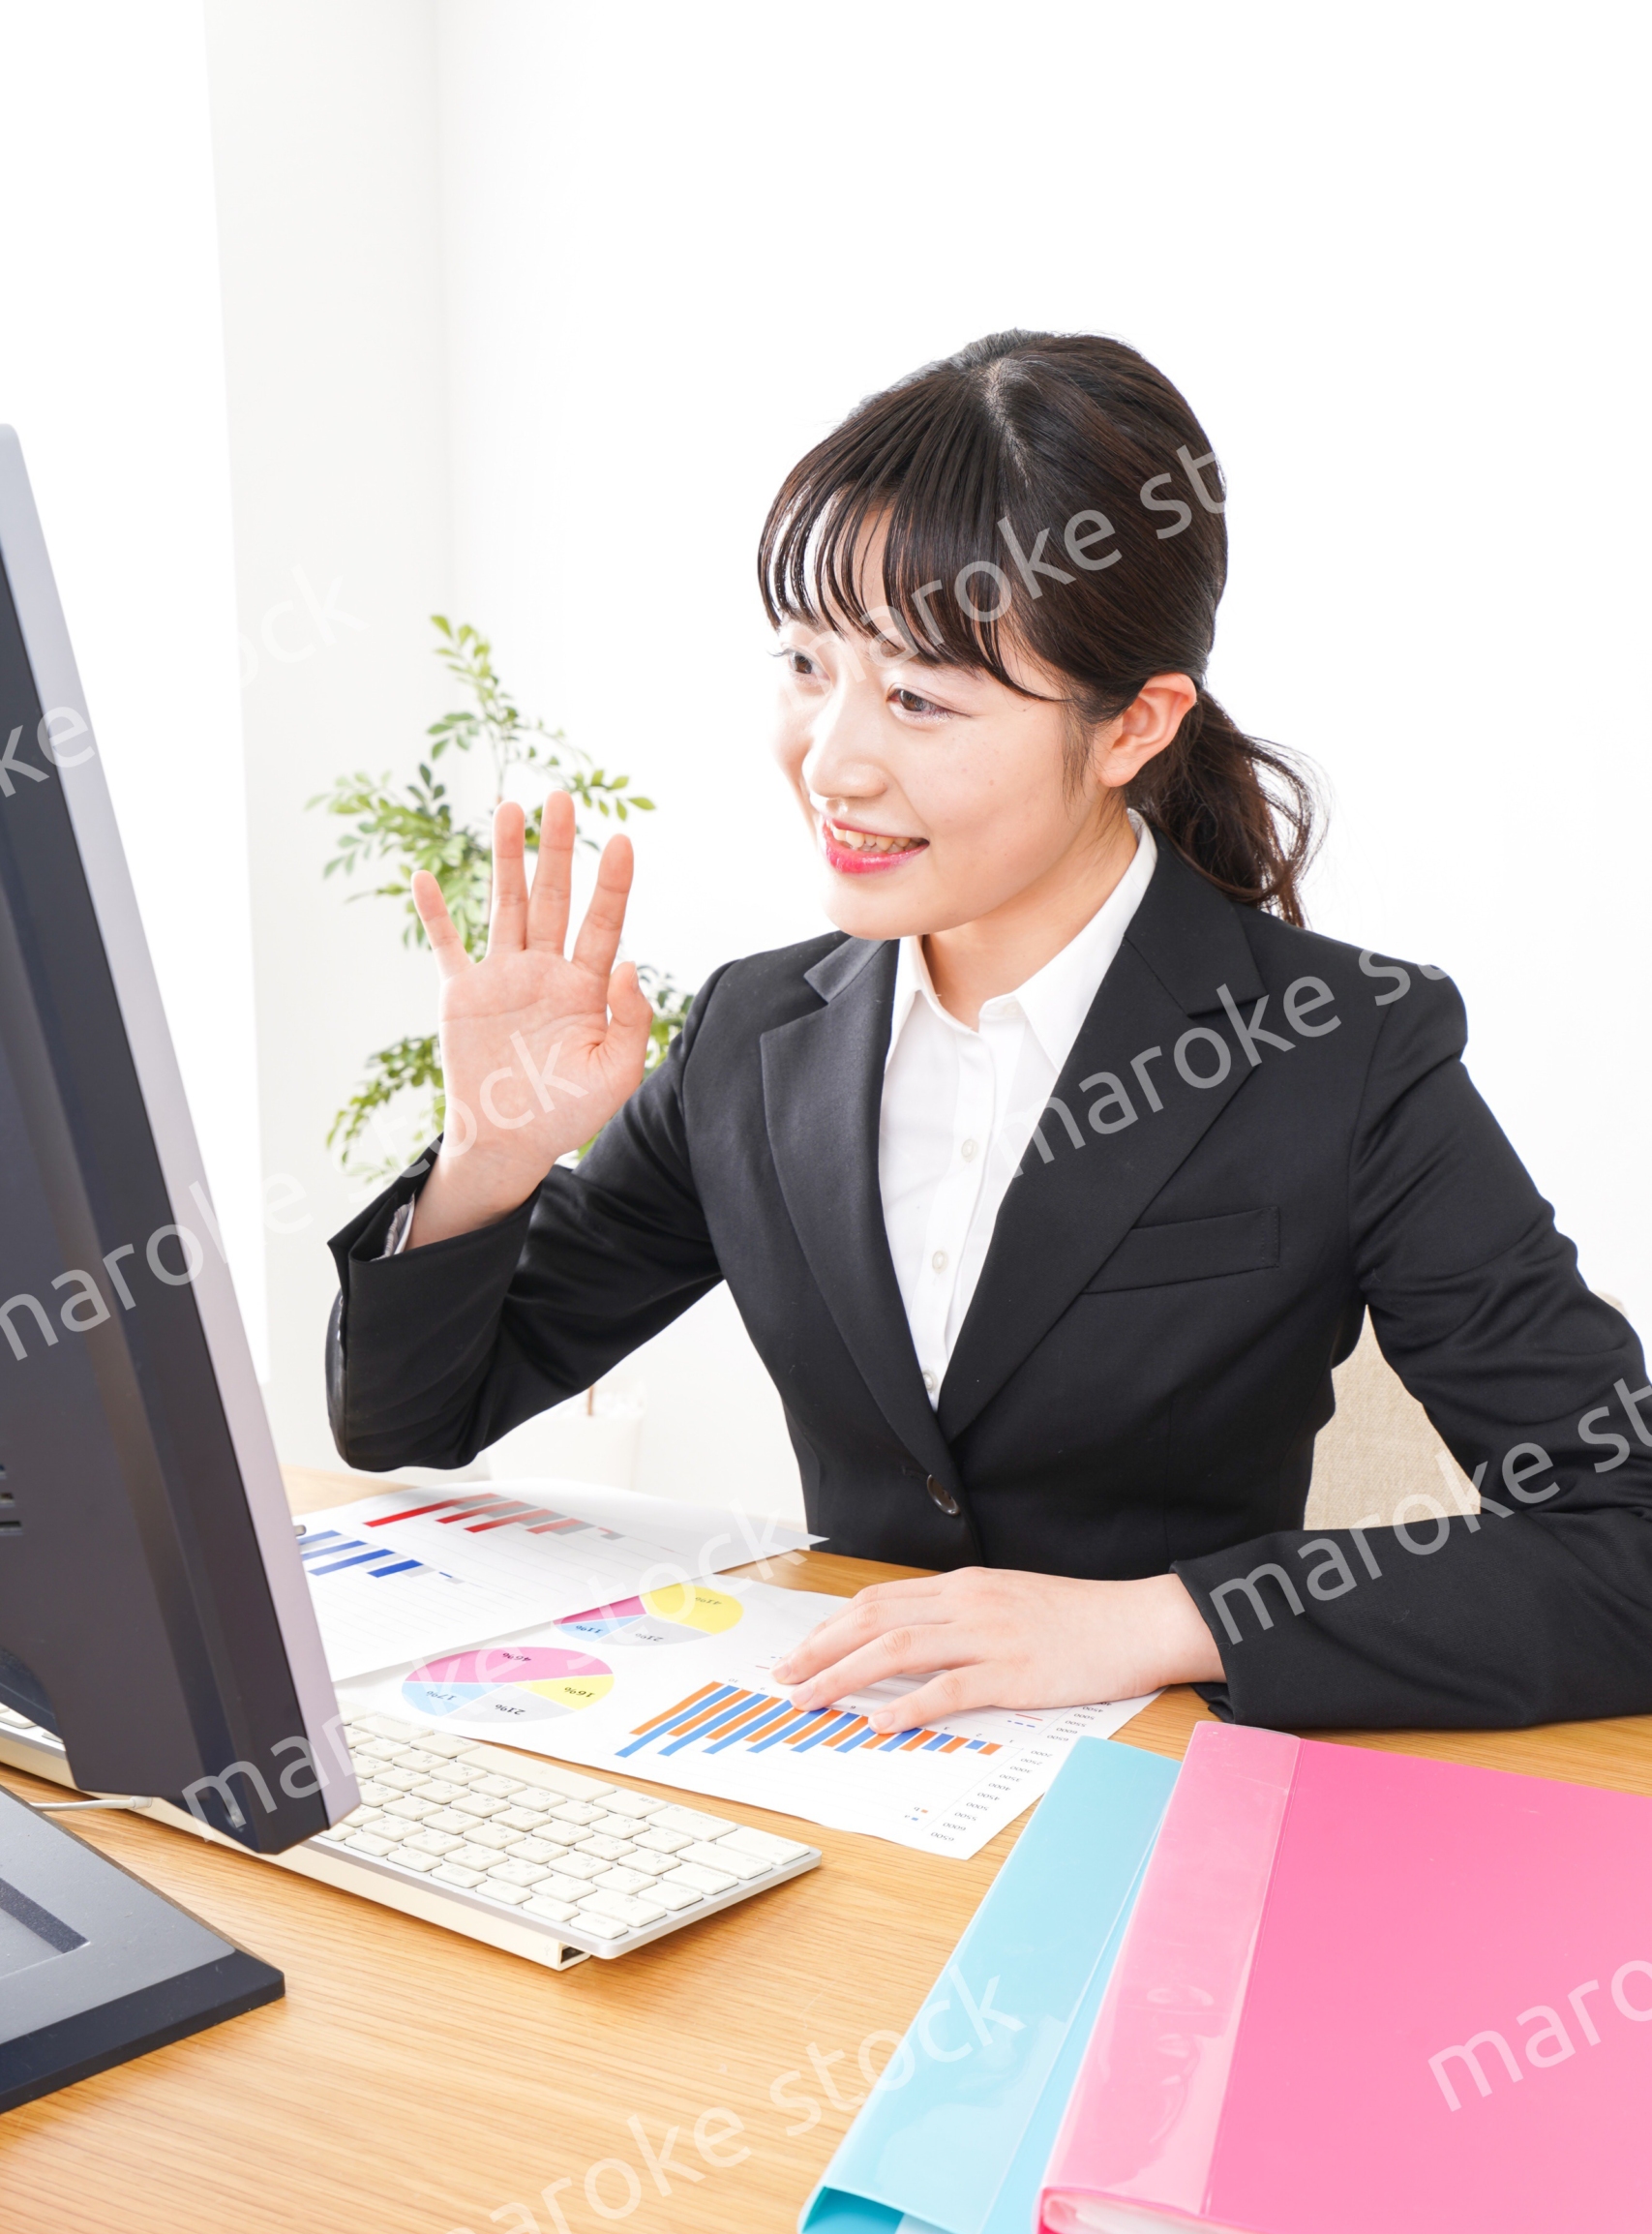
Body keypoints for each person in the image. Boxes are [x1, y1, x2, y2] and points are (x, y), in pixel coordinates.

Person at [326, 330, 1652, 1736]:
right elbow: (412, 1425)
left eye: (917, 697)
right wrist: (490, 1156)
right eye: (805, 663)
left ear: (1135, 725)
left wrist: (1155, 1619)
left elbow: (1624, 1536)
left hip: (1164, 1785)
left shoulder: (1344, 1048)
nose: (831, 760)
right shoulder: (757, 1035)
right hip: (835, 1778)